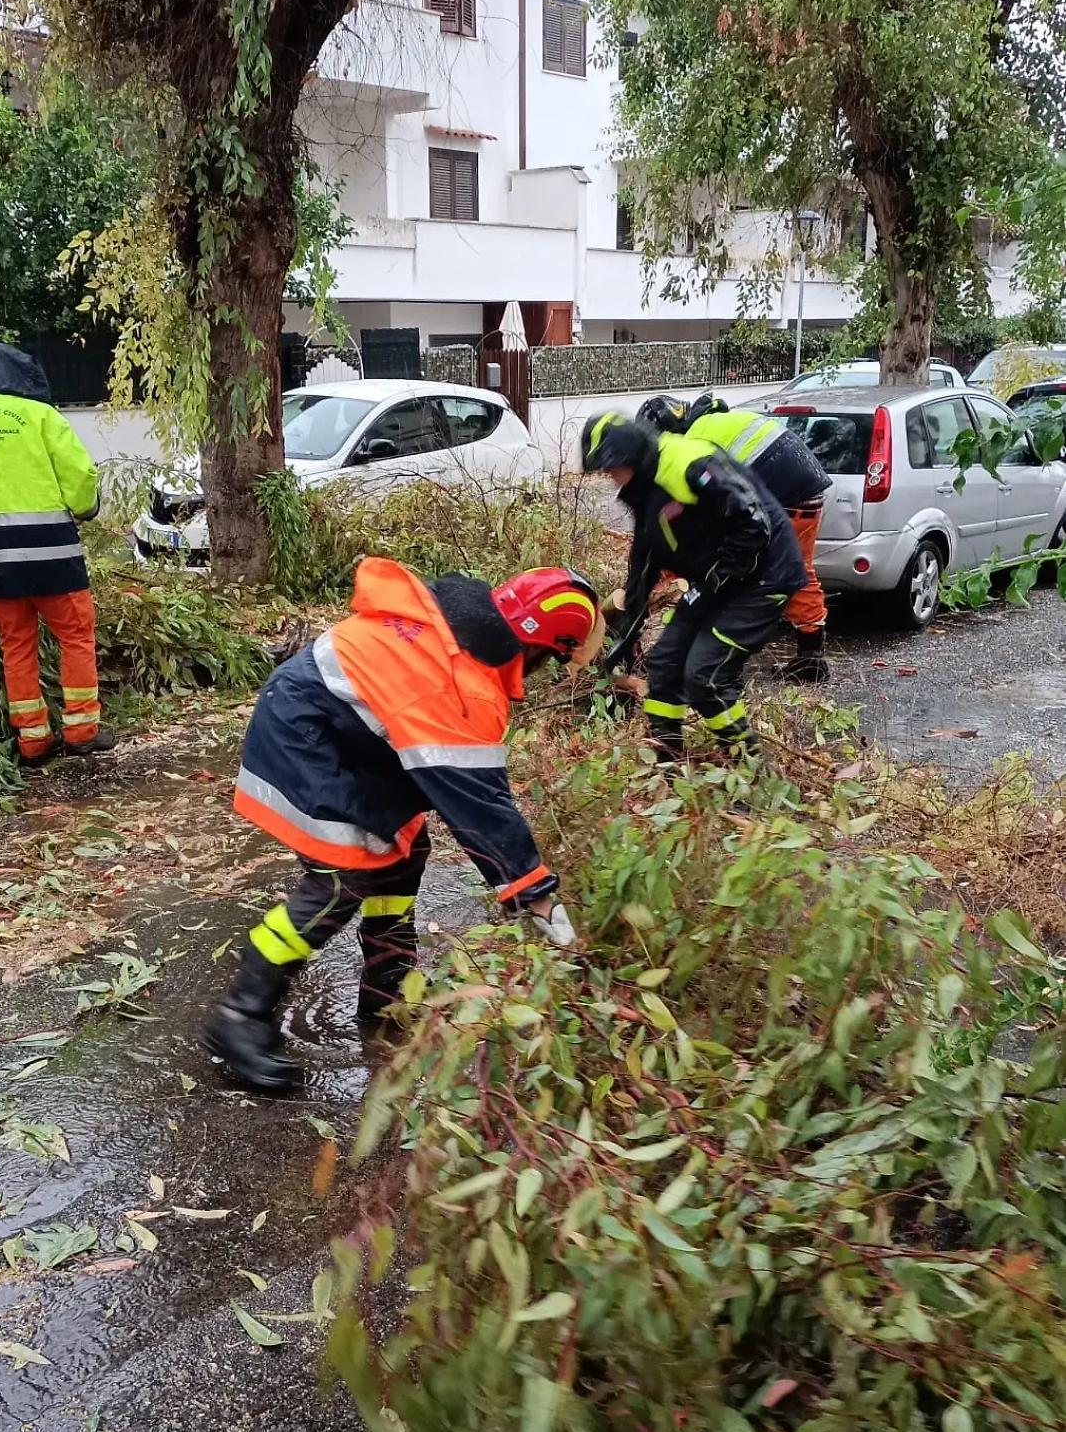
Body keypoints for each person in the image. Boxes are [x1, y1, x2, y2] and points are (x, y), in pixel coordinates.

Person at [205, 556, 603, 1094]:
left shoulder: (460, 626)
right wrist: (537, 897)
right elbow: (482, 811)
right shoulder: (461, 686)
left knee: (404, 848)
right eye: (553, 660)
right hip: (305, 742)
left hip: (348, 734)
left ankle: (387, 981)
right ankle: (241, 1014)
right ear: (539, 648)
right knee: (343, 881)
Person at [0, 341, 114, 764]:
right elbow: (80, 475)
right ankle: (82, 730)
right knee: (76, 637)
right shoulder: (40, 416)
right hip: (50, 555)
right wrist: (86, 508)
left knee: (17, 644)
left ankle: (32, 740)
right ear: (23, 377)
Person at [582, 408, 805, 757]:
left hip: (764, 574)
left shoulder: (687, 463)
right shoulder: (645, 484)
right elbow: (647, 552)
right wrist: (631, 621)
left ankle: (750, 771)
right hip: (718, 578)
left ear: (628, 454)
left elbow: (754, 523)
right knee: (665, 664)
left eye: (611, 468)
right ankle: (667, 764)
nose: (610, 477)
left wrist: (714, 580)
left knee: (705, 676)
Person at [637, 393, 832, 681]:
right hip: (807, 490)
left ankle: (721, 665)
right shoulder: (715, 422)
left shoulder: (690, 443)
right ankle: (811, 657)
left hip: (777, 492)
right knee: (796, 570)